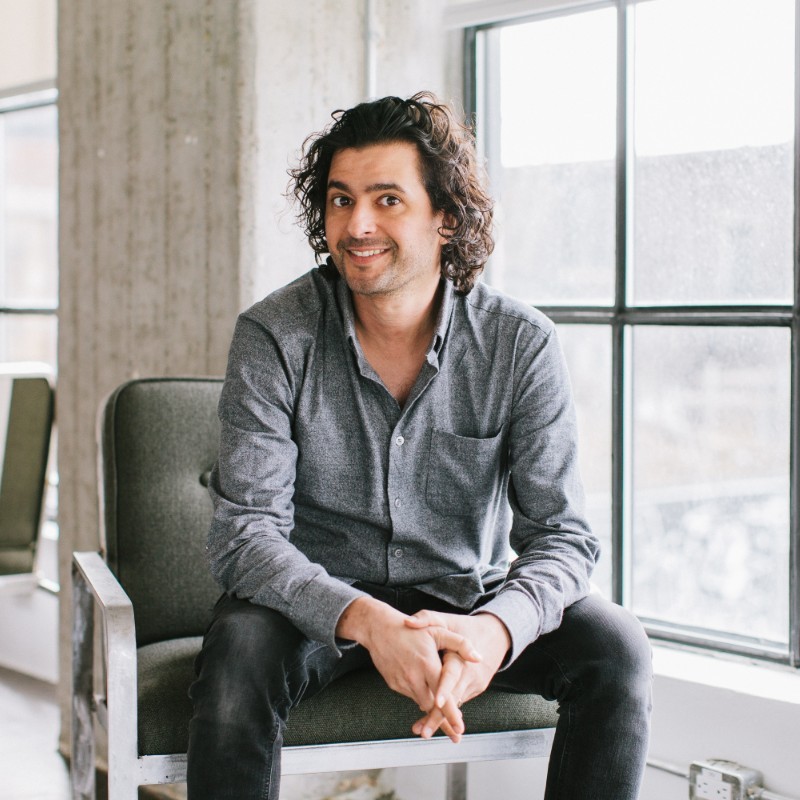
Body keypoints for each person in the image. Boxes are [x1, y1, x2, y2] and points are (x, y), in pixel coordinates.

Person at [186, 92, 652, 800]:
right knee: (238, 652)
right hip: (316, 602)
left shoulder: (520, 344)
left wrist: (496, 630)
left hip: (469, 594)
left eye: (387, 200)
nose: (357, 225)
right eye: (340, 200)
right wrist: (371, 623)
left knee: (616, 648)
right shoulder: (274, 335)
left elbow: (562, 538)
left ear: (446, 217)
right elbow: (245, 535)